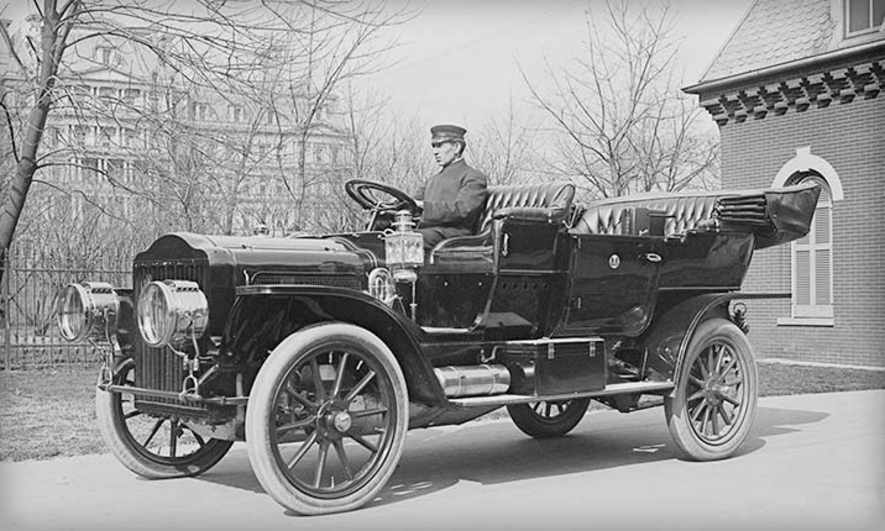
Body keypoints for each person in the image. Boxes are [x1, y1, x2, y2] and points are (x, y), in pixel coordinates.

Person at [414, 124, 489, 250]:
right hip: (429, 233)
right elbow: (411, 204)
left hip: (455, 236)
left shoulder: (473, 177)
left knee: (407, 239)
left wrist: (424, 207)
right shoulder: (431, 181)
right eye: (433, 146)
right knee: (379, 235)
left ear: (456, 147)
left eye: (440, 145)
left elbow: (463, 210)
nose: (435, 152)